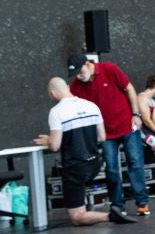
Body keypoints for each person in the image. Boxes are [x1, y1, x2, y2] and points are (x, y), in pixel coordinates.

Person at [33, 78, 135, 226]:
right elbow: (102, 137)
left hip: (75, 168)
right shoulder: (91, 105)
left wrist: (49, 139)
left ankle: (110, 216)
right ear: (68, 87)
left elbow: (54, 146)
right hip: (94, 164)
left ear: (52, 94)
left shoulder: (56, 112)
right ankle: (89, 206)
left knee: (76, 217)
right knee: (80, 190)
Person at [67, 53, 151, 217]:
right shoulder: (76, 86)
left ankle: (142, 202)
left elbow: (129, 89)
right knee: (111, 169)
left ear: (87, 64)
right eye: (75, 73)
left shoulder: (109, 69)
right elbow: (71, 105)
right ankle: (117, 205)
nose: (78, 76)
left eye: (80, 71)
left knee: (135, 162)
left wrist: (136, 114)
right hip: (105, 133)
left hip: (127, 124)